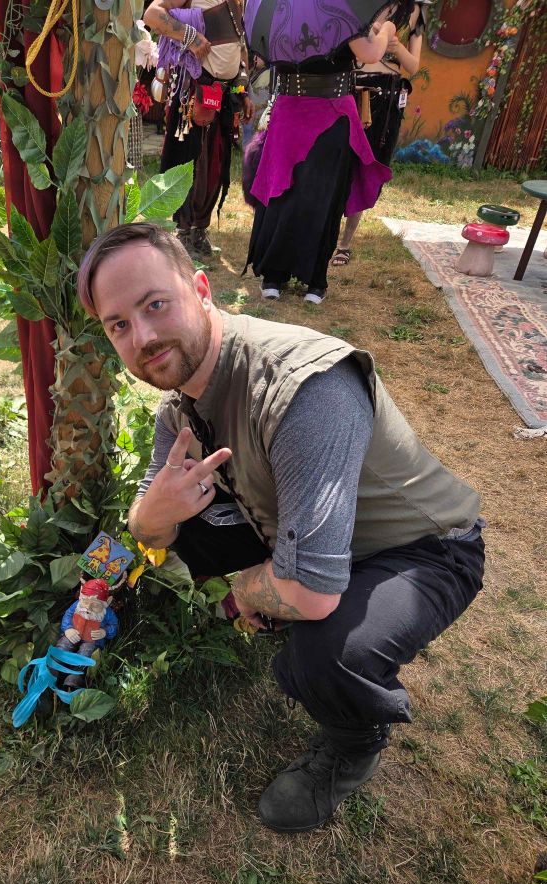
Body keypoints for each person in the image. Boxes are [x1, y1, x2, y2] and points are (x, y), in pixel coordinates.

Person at [77, 222, 485, 834]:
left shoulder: (305, 389)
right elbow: (147, 524)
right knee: (189, 524)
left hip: (422, 550)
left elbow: (311, 593)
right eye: (119, 325)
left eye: (155, 304)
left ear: (202, 289)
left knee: (323, 652)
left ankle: (353, 742)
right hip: (310, 536)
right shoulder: (180, 408)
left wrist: (243, 592)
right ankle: (278, 594)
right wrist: (151, 514)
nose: (144, 337)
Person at [244, 10, 399, 304]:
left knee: (287, 192)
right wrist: (387, 28)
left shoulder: (281, 9)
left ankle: (278, 276)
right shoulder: (337, 8)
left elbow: (263, 59)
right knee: (319, 194)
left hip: (300, 111)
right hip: (326, 112)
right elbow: (370, 53)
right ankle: (310, 280)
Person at [144, 0, 254, 259]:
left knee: (214, 166)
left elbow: (238, 48)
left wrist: (243, 91)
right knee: (186, 164)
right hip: (193, 92)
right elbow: (152, 14)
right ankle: (182, 232)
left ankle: (198, 230)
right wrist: (190, 37)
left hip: (223, 95)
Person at [331, 1, 427, 268]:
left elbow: (413, 66)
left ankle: (344, 244)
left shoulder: (415, 11)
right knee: (337, 162)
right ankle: (324, 233)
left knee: (368, 166)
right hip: (349, 86)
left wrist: (397, 48)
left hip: (386, 96)